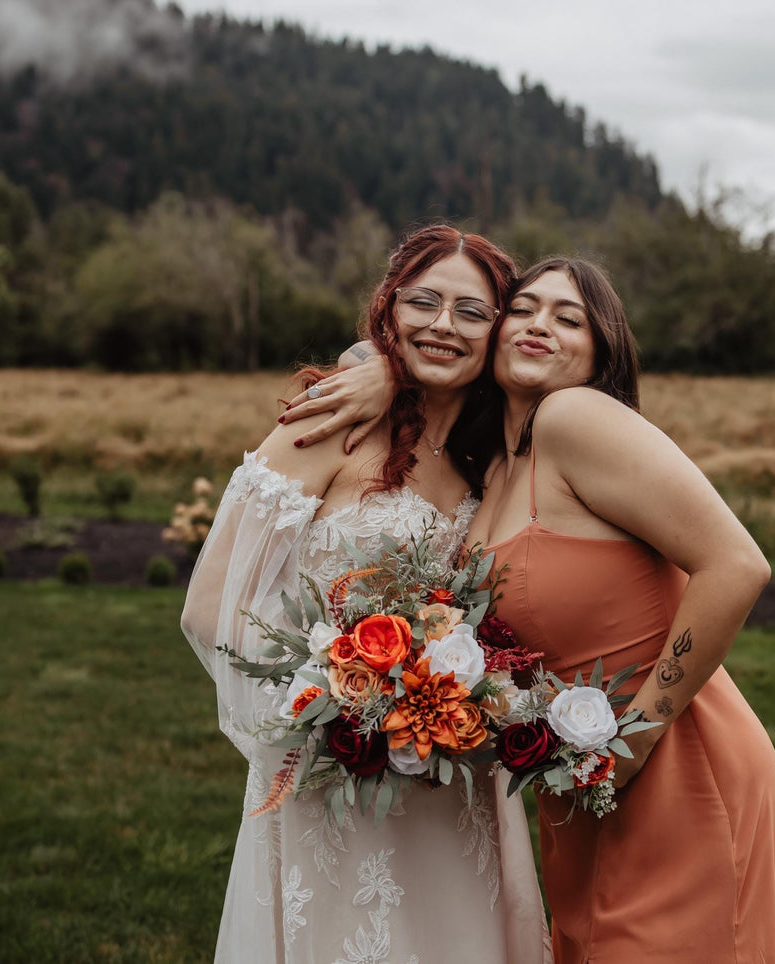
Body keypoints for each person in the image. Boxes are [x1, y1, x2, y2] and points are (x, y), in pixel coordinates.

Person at [286, 257, 775, 963]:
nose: (540, 325)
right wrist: (382, 369)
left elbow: (737, 564)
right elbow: (406, 348)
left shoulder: (577, 418)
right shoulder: (495, 463)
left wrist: (638, 734)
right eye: (524, 309)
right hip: (573, 778)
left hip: (676, 760)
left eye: (569, 319)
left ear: (600, 354)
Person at [180, 225, 549, 964]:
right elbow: (211, 605)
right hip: (334, 777)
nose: (443, 325)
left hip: (454, 783)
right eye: (424, 302)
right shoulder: (329, 427)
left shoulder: (490, 462)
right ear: (389, 309)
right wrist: (333, 715)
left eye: (471, 311)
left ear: (496, 332)